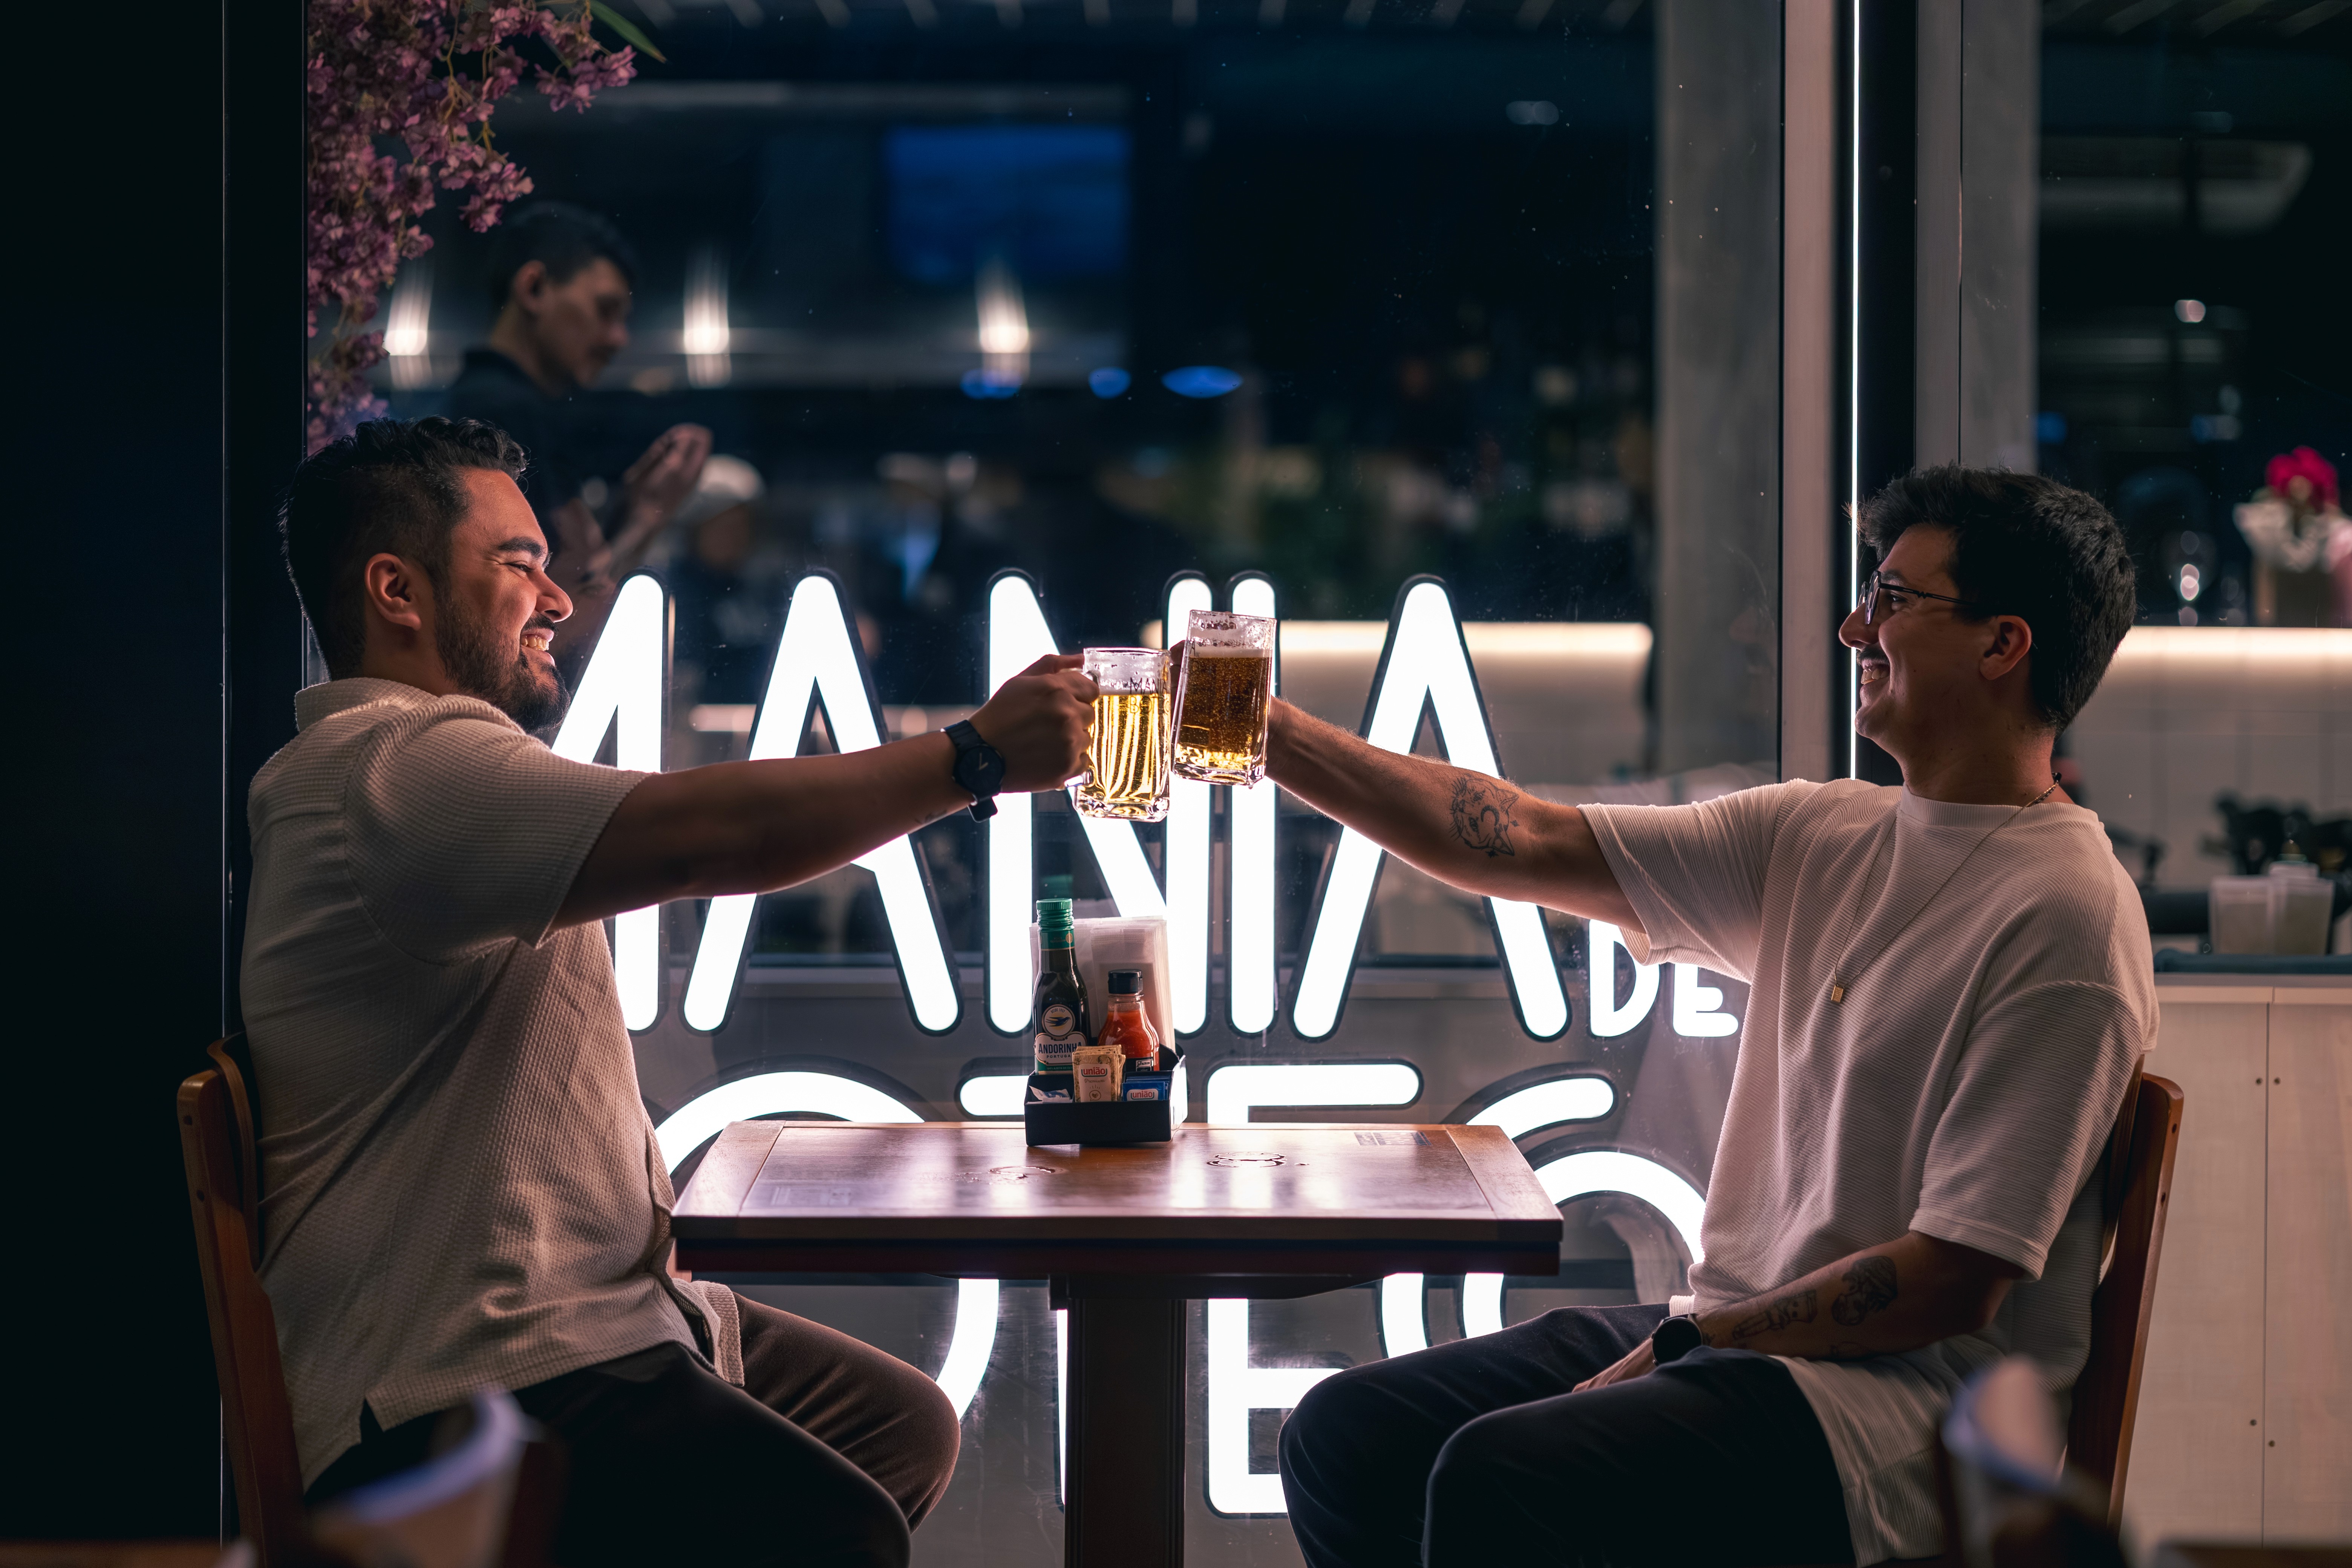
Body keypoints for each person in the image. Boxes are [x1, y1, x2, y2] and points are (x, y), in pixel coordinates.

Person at [243, 417, 1093, 1568]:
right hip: (461, 1380)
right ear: (396, 590)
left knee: (892, 1430)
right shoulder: (399, 767)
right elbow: (710, 837)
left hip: (579, 1327)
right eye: (518, 564)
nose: (558, 602)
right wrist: (972, 757)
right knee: (832, 1525)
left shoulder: (421, 771)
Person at [1269, 466, 2152, 1568]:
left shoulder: (2065, 914)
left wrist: (1694, 1339)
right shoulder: (1823, 837)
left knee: (1504, 1475)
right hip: (1734, 1349)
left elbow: (1953, 1278)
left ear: (2000, 644)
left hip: (1896, 1424)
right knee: (1346, 1438)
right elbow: (1520, 841)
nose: (1851, 627)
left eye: (1892, 600)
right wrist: (1270, 734)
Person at [442, 201, 713, 672]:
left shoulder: (482, 405)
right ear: (535, 287)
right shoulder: (507, 415)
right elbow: (565, 618)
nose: (618, 338)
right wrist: (653, 511)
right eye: (605, 310)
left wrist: (632, 505)